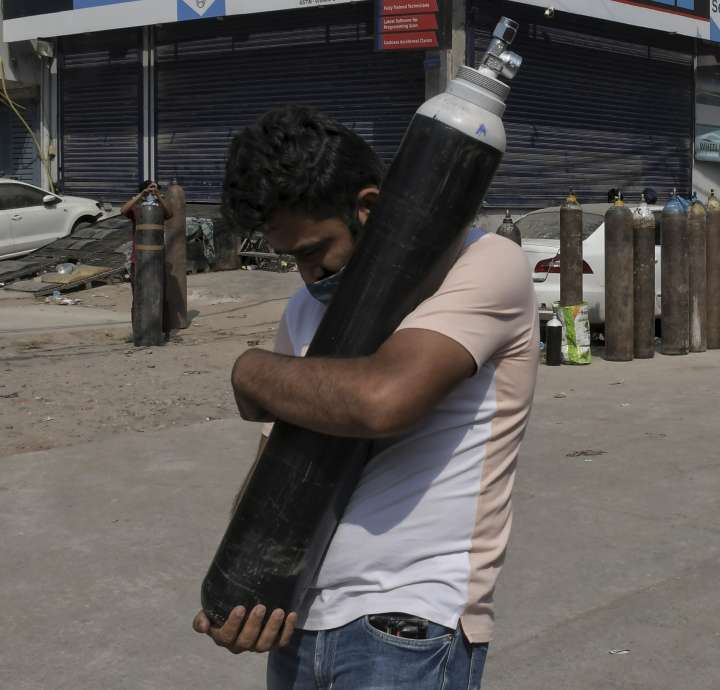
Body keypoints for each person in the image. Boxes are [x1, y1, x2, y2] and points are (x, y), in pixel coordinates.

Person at [191, 106, 538, 688]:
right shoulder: (305, 309)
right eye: (292, 258)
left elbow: (383, 401)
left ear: (368, 207)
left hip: (408, 624)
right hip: (301, 621)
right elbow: (276, 460)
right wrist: (246, 576)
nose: (308, 275)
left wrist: (250, 370)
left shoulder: (484, 265)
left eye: (314, 250)